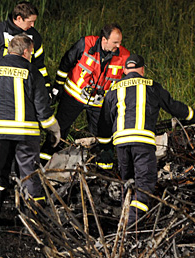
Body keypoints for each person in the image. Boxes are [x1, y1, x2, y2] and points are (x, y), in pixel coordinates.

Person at [0, 34, 60, 226]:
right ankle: (31, 223)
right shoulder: (32, 71)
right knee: (29, 175)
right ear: (26, 52)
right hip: (26, 134)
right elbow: (42, 108)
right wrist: (54, 130)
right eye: (31, 52)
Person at [99, 54, 195, 223]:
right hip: (142, 143)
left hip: (121, 143)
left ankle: (123, 219)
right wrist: (193, 115)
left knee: (128, 182)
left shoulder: (113, 89)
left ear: (124, 70)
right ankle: (132, 226)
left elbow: (104, 121)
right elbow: (173, 106)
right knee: (144, 185)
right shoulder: (152, 86)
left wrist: (105, 150)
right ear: (142, 70)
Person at [39, 23, 130, 169]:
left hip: (99, 103)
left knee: (104, 136)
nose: (118, 46)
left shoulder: (124, 55)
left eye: (120, 42)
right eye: (115, 42)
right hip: (73, 96)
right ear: (104, 39)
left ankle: (105, 170)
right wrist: (57, 86)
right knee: (59, 129)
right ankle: (43, 162)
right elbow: (66, 63)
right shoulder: (85, 44)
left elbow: (129, 79)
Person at [0, 1, 51, 97]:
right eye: (30, 21)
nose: (33, 25)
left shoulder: (35, 36)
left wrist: (46, 86)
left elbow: (39, 65)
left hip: (23, 88)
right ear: (19, 18)